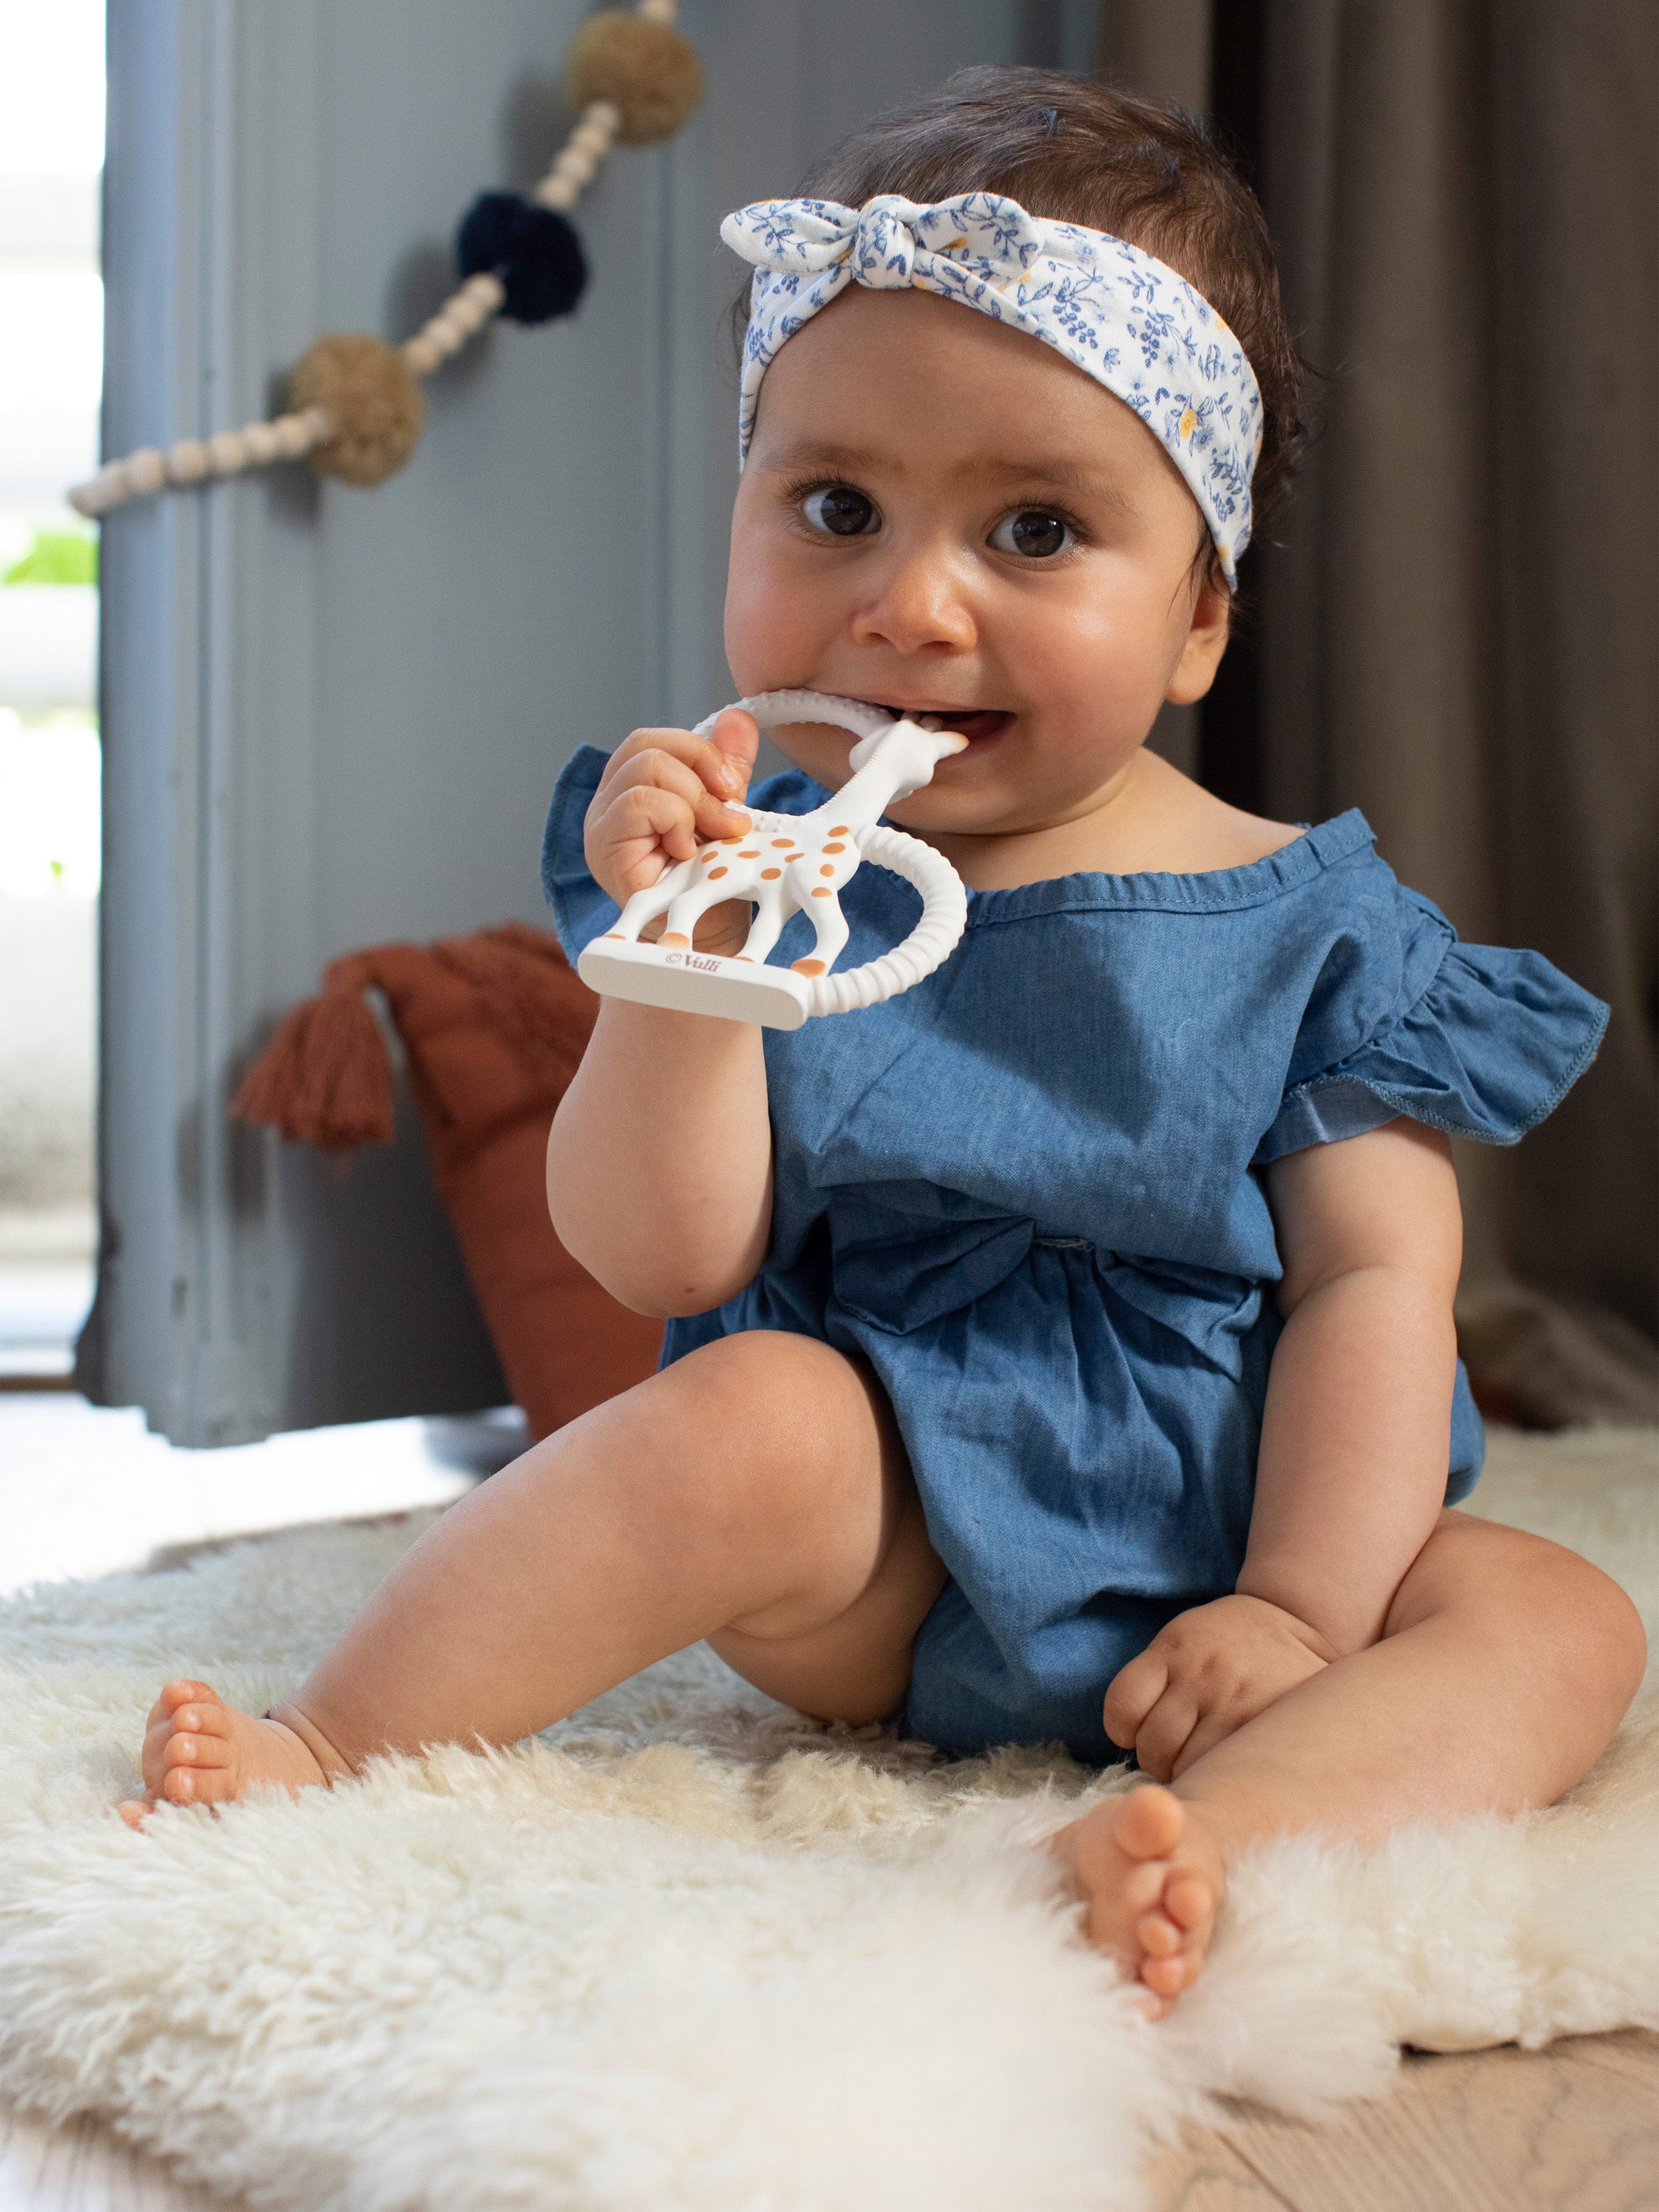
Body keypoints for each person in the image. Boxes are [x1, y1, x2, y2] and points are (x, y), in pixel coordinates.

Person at [123, 70, 1645, 2013]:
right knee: (745, 1420)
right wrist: (691, 955)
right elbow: (664, 1260)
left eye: (1033, 529)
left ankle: (1209, 1842)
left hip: (1247, 1516)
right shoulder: (743, 858)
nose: (909, 609)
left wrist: (1294, 1604)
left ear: (1197, 619)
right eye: (835, 509)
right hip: (892, 1533)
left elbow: (1374, 1288)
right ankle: (331, 1742)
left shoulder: (1317, 923)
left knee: (1554, 1619)